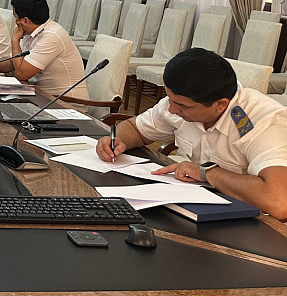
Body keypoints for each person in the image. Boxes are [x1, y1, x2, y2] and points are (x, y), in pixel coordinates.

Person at [97, 49, 287, 219]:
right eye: (169, 99)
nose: (171, 110)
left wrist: (207, 172)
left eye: (181, 106)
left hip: (257, 224)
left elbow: (279, 202)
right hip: (199, 207)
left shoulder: (266, 122)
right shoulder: (180, 101)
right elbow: (135, 128)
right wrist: (118, 140)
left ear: (220, 105)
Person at [0, 0, 88, 101]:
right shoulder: (31, 32)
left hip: (64, 102)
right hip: (39, 95)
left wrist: (15, 40)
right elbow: (14, 62)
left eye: (16, 19)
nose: (16, 23)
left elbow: (21, 73)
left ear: (26, 20)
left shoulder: (52, 36)